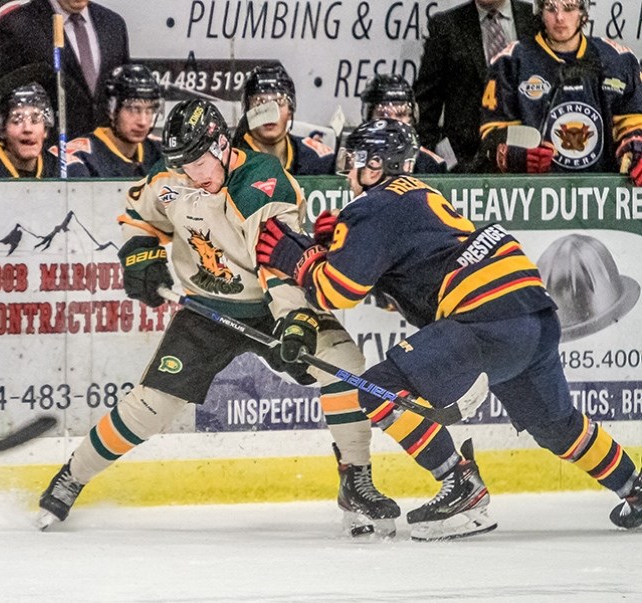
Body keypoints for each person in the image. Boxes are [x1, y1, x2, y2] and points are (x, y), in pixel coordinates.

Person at [35, 100, 493, 541]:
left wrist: (295, 321)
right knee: (152, 407)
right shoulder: (172, 175)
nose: (190, 173)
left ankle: (355, 482)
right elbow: (141, 213)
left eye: (197, 162)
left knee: (347, 368)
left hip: (274, 301)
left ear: (219, 144)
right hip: (206, 309)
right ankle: (70, 478)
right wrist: (141, 252)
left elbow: (278, 260)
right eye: (181, 164)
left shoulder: (260, 181)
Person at [254, 117, 642, 533]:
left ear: (373, 165)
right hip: (533, 311)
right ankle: (632, 486)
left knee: (376, 389)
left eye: (356, 160)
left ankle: (460, 484)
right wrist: (338, 251)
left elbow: (338, 292)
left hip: (485, 318)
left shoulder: (370, 205)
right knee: (557, 425)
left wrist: (297, 257)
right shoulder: (419, 193)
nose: (350, 170)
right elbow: (401, 292)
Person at [480, 0, 642, 181]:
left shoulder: (617, 60)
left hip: (603, 194)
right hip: (533, 194)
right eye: (550, 8)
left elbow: (634, 122)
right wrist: (515, 156)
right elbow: (492, 137)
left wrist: (636, 149)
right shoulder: (510, 62)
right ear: (539, 11)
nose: (559, 17)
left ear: (584, 12)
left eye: (569, 8)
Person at [414, 0, 535, 171]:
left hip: (528, 157)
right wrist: (439, 160)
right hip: (463, 164)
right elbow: (426, 101)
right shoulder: (446, 26)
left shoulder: (536, 19)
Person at [0, 0, 129, 139]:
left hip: (104, 154)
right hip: (48, 156)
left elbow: (123, 95)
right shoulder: (16, 26)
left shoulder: (114, 24)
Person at [0, 82, 88, 179]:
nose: (27, 129)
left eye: (35, 120)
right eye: (17, 120)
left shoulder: (71, 169)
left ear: (46, 130)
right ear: (2, 130)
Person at [233, 64, 336, 175]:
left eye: (279, 102)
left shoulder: (319, 160)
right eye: (260, 103)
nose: (271, 112)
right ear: (248, 111)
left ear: (290, 110)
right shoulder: (230, 160)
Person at [68, 63, 163, 178]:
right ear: (112, 109)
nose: (142, 122)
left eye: (149, 110)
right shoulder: (81, 157)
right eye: (133, 109)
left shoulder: (161, 153)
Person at [360, 74, 447, 174]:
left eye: (400, 115)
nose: (393, 124)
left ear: (413, 117)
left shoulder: (429, 165)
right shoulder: (351, 164)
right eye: (383, 115)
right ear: (368, 119)